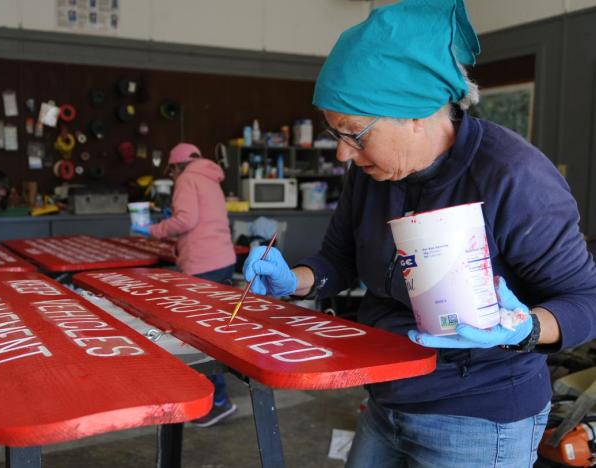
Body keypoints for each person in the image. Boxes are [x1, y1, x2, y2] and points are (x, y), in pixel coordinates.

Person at [242, 1, 596, 466]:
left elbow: (585, 301)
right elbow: (339, 257)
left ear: (415, 113)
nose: (343, 154)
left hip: (477, 414)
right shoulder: (371, 173)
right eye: (335, 133)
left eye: (354, 133)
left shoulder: (515, 177)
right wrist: (298, 280)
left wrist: (525, 327)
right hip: (386, 396)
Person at [133, 142, 238, 427]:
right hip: (223, 260)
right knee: (214, 330)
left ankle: (218, 401)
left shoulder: (187, 179)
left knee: (199, 335)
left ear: (175, 166)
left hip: (202, 265)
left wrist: (153, 229)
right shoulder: (210, 177)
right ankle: (216, 398)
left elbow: (187, 220)